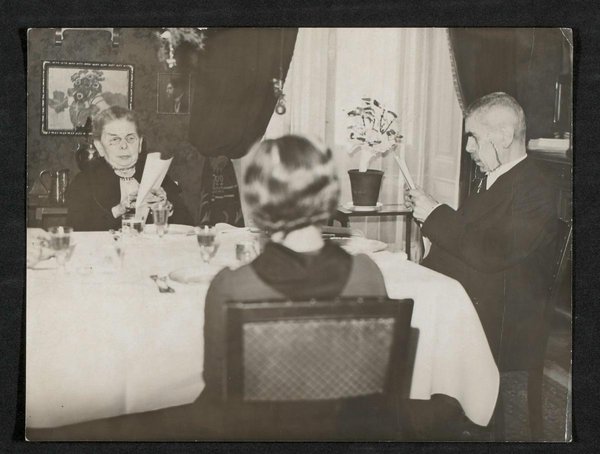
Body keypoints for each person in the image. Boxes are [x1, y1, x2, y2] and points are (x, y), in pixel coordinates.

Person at [28, 135, 390, 441]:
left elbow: (218, 386)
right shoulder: (368, 272)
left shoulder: (234, 285)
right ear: (329, 195)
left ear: (258, 202)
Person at [406, 92, 557, 368]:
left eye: (473, 137)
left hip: (502, 321)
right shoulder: (492, 179)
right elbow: (470, 236)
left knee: (397, 319)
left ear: (504, 136)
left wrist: (435, 214)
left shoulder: (535, 189)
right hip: (474, 298)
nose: (467, 148)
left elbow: (492, 253)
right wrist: (430, 218)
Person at [66, 106, 192, 231]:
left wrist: (166, 208)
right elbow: (77, 230)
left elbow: (188, 226)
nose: (124, 146)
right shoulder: (84, 182)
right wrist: (118, 210)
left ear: (140, 144)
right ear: (99, 147)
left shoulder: (156, 174)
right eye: (115, 139)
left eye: (130, 138)